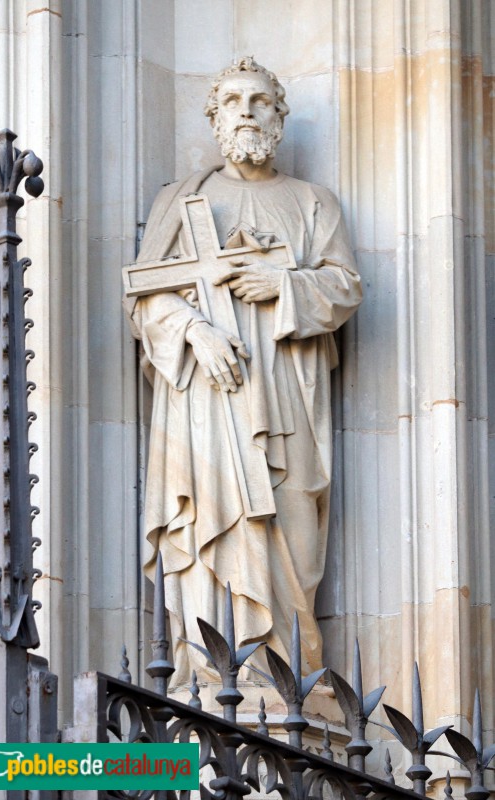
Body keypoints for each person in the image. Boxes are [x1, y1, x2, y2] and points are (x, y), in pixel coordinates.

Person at [124, 57, 363, 687]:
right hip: (207, 400)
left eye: (261, 101)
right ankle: (210, 679)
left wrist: (282, 284)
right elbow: (145, 295)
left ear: (280, 117)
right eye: (233, 101)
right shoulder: (182, 201)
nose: (248, 111)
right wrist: (194, 330)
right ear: (215, 117)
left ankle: (284, 689)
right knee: (210, 525)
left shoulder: (313, 203)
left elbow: (344, 289)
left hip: (285, 402)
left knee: (290, 534)